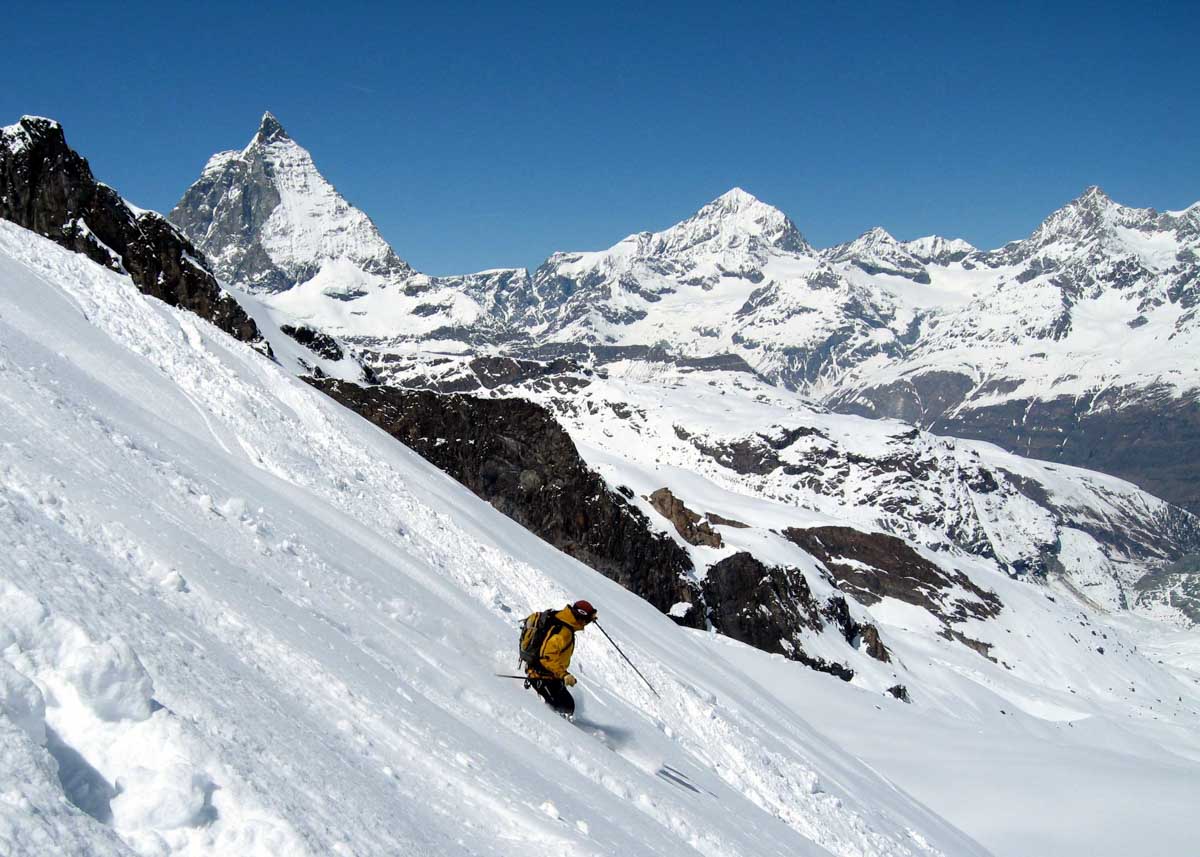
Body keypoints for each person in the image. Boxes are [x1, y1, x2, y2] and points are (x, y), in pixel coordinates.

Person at [520, 600, 597, 719]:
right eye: (587, 621)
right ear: (581, 618)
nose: (586, 624)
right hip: (541, 675)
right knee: (562, 709)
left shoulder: (561, 617)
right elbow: (546, 657)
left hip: (549, 675)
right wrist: (564, 675)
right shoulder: (563, 632)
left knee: (568, 706)